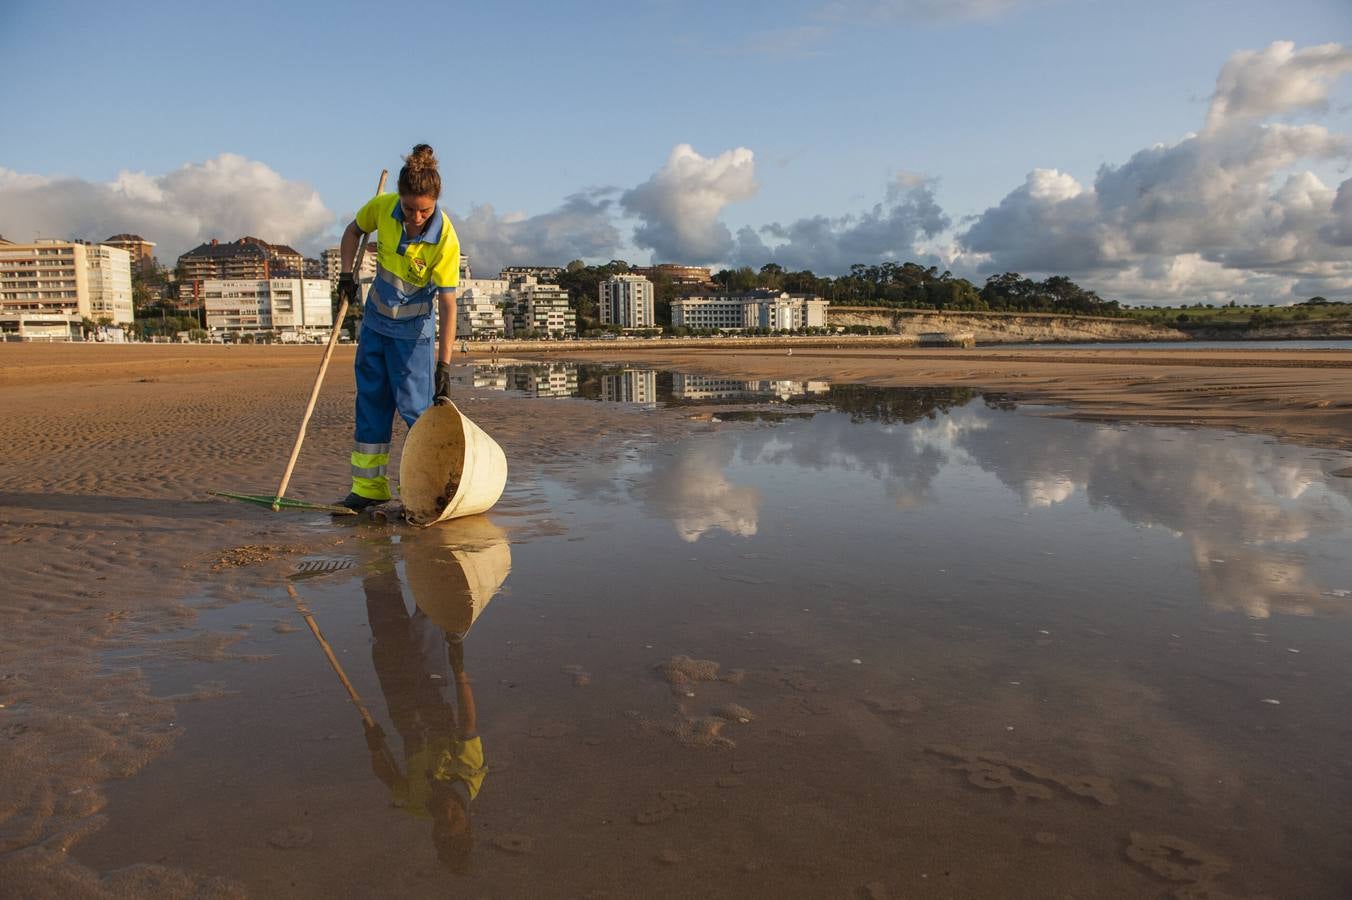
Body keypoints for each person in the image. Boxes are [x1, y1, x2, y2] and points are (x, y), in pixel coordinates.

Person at [335, 144, 461, 512]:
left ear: (435, 202)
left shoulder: (444, 239)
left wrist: (444, 365)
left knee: (415, 413)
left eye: (425, 210)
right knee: (371, 404)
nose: (416, 217)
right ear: (400, 199)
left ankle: (425, 491)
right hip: (375, 325)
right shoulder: (383, 208)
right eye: (409, 208)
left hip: (413, 339)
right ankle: (369, 489)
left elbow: (448, 304)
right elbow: (351, 232)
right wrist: (346, 275)